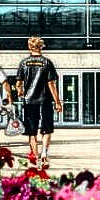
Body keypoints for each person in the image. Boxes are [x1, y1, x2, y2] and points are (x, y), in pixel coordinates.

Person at [16, 37, 63, 168]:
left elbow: (18, 83)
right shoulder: (47, 63)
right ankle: (44, 154)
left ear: (29, 47)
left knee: (32, 131)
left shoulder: (24, 63)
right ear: (41, 47)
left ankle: (35, 157)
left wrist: (20, 91)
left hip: (29, 101)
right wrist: (57, 101)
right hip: (45, 100)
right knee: (47, 128)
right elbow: (51, 84)